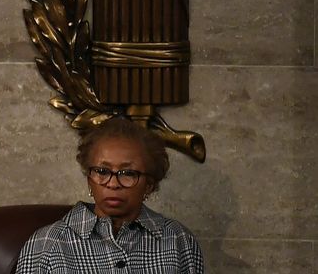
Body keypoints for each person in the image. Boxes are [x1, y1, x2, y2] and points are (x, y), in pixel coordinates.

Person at [15, 116, 205, 273]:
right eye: (102, 172)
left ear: (149, 185)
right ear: (89, 178)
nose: (113, 184)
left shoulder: (178, 240)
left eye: (128, 173)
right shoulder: (48, 243)